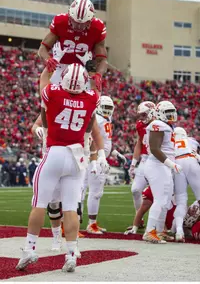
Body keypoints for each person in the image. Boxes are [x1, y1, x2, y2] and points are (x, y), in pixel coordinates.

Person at [16, 63, 108, 273]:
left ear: (64, 79)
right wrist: (95, 80)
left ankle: (30, 248)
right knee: (70, 208)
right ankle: (71, 254)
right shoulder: (91, 98)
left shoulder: (54, 94)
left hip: (55, 153)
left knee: (39, 204)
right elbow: (93, 102)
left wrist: (48, 67)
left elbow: (43, 83)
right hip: (76, 158)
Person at [38, 0, 107, 92]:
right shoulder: (61, 22)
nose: (78, 26)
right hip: (60, 66)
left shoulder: (97, 28)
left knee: (89, 102)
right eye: (75, 22)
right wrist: (48, 59)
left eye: (82, 24)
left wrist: (98, 74)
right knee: (47, 102)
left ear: (90, 21)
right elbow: (43, 48)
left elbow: (102, 60)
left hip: (84, 69)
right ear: (70, 16)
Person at [82, 96, 127, 234]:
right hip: (93, 159)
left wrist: (115, 153)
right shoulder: (98, 119)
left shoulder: (106, 119)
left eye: (109, 108)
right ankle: (90, 224)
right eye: (105, 107)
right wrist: (99, 159)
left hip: (96, 158)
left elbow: (105, 142)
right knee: (92, 192)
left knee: (88, 191)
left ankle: (90, 223)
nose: (107, 111)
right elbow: (93, 140)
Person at [143, 101, 182, 243]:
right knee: (160, 199)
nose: (171, 116)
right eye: (168, 113)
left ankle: (159, 231)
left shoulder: (167, 126)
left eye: (172, 112)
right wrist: (171, 164)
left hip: (163, 165)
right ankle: (149, 231)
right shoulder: (157, 125)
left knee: (166, 200)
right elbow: (155, 149)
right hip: (157, 165)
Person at [128, 101, 155, 233]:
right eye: (140, 115)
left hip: (157, 161)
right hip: (145, 160)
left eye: (144, 114)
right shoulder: (140, 125)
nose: (141, 118)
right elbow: (139, 142)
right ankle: (140, 220)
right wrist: (133, 163)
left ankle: (162, 224)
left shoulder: (159, 124)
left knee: (160, 193)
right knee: (135, 190)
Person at [173, 127, 200, 242]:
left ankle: (179, 231)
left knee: (181, 201)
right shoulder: (191, 140)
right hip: (191, 160)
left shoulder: (171, 142)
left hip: (177, 164)